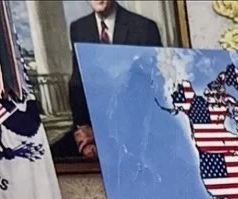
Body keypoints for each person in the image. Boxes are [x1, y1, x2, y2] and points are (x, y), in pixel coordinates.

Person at [64, 0, 163, 159]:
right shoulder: (79, 28)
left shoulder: (144, 28)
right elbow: (77, 82)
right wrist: (83, 128)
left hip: (136, 131)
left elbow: (154, 87)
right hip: (95, 128)